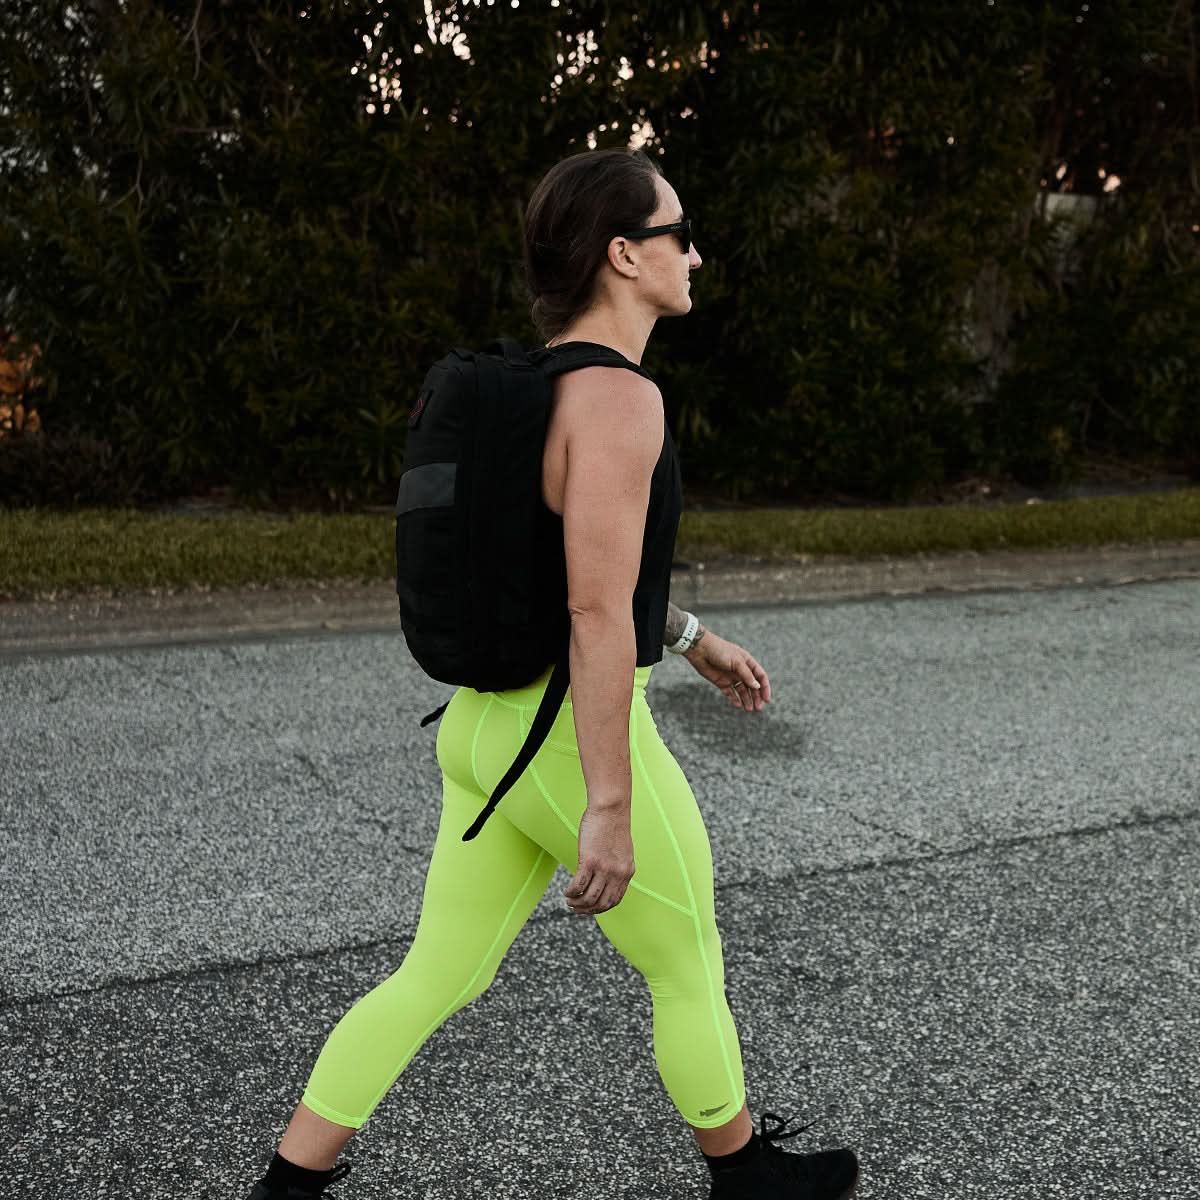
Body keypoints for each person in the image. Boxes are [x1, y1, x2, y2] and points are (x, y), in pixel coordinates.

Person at [247, 148, 859, 1200]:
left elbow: (567, 571)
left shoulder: (529, 391)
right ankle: (748, 1178)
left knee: (435, 976)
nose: (696, 254)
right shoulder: (622, 402)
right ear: (626, 256)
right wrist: (609, 802)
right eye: (679, 233)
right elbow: (587, 609)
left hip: (483, 734)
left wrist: (694, 636)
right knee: (686, 960)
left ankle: (286, 1188)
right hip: (567, 744)